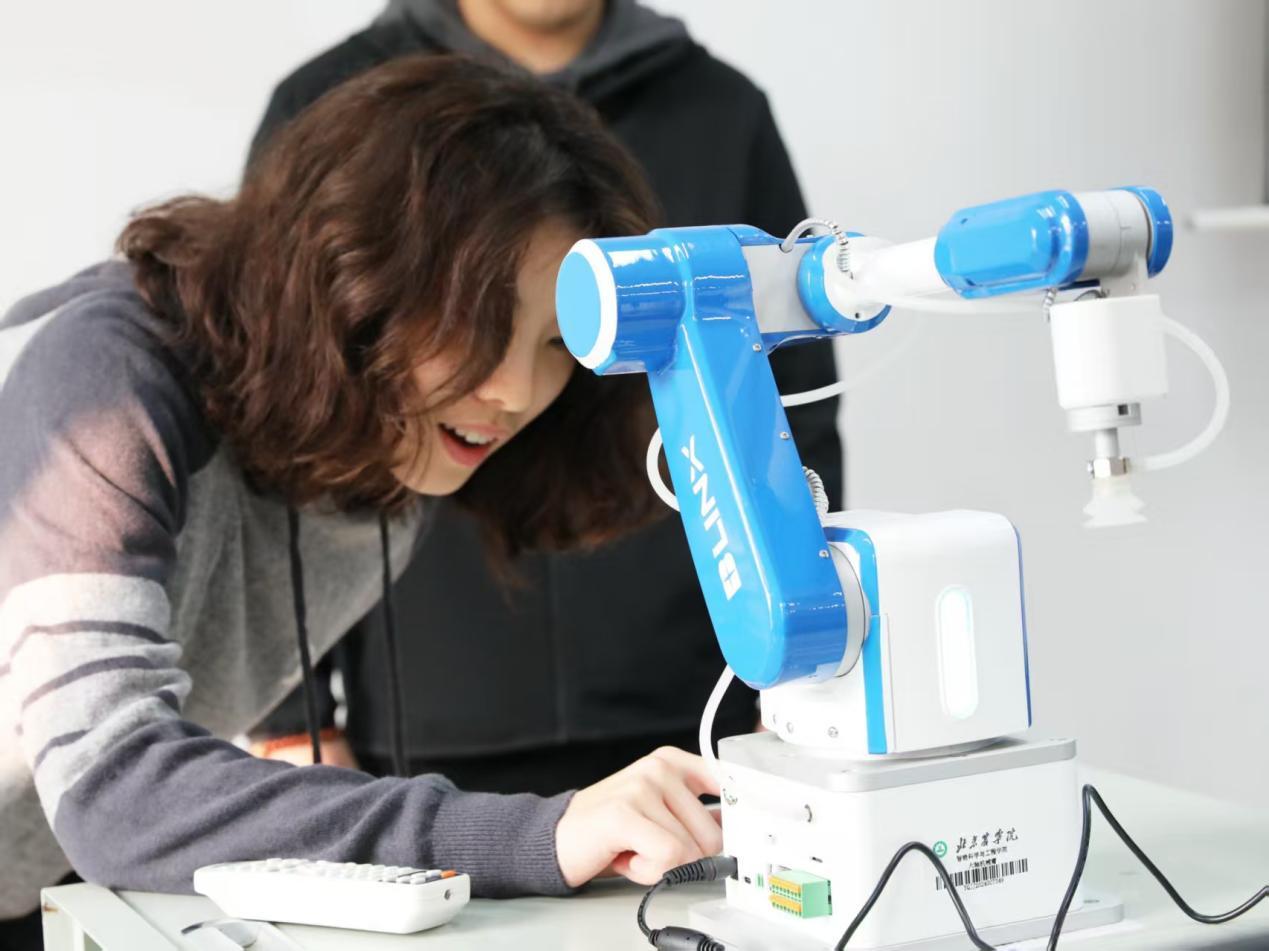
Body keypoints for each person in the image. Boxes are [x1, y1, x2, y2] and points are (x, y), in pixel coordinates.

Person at [0, 56, 724, 951]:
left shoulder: (384, 431)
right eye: (482, 317)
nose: (515, 389)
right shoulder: (100, 384)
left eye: (555, 341)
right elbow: (113, 789)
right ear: (357, 275)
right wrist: (537, 834)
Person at [248, 0, 844, 793]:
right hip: (430, 693)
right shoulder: (332, 99)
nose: (511, 385)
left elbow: (795, 402)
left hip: (689, 688)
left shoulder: (720, 109)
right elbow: (282, 400)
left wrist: (802, 659)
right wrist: (294, 720)